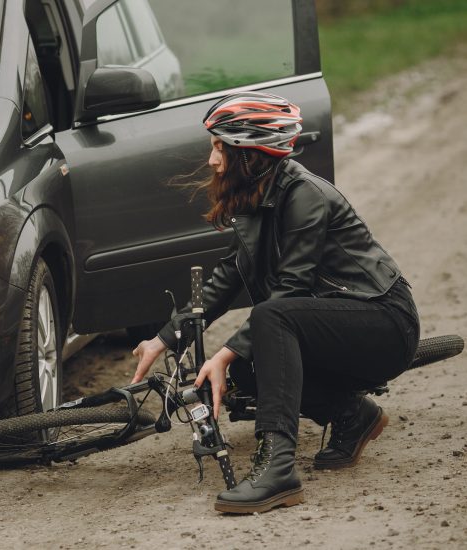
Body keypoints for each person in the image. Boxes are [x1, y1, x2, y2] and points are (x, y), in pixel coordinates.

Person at [131, 92, 419, 514]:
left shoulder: (304, 195)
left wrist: (224, 353)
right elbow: (228, 276)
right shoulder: (258, 195)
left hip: (384, 321)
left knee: (268, 319)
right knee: (249, 367)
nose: (212, 161)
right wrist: (164, 338)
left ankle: (278, 469)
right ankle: (354, 415)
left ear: (248, 154)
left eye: (219, 147)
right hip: (334, 318)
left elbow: (292, 289)